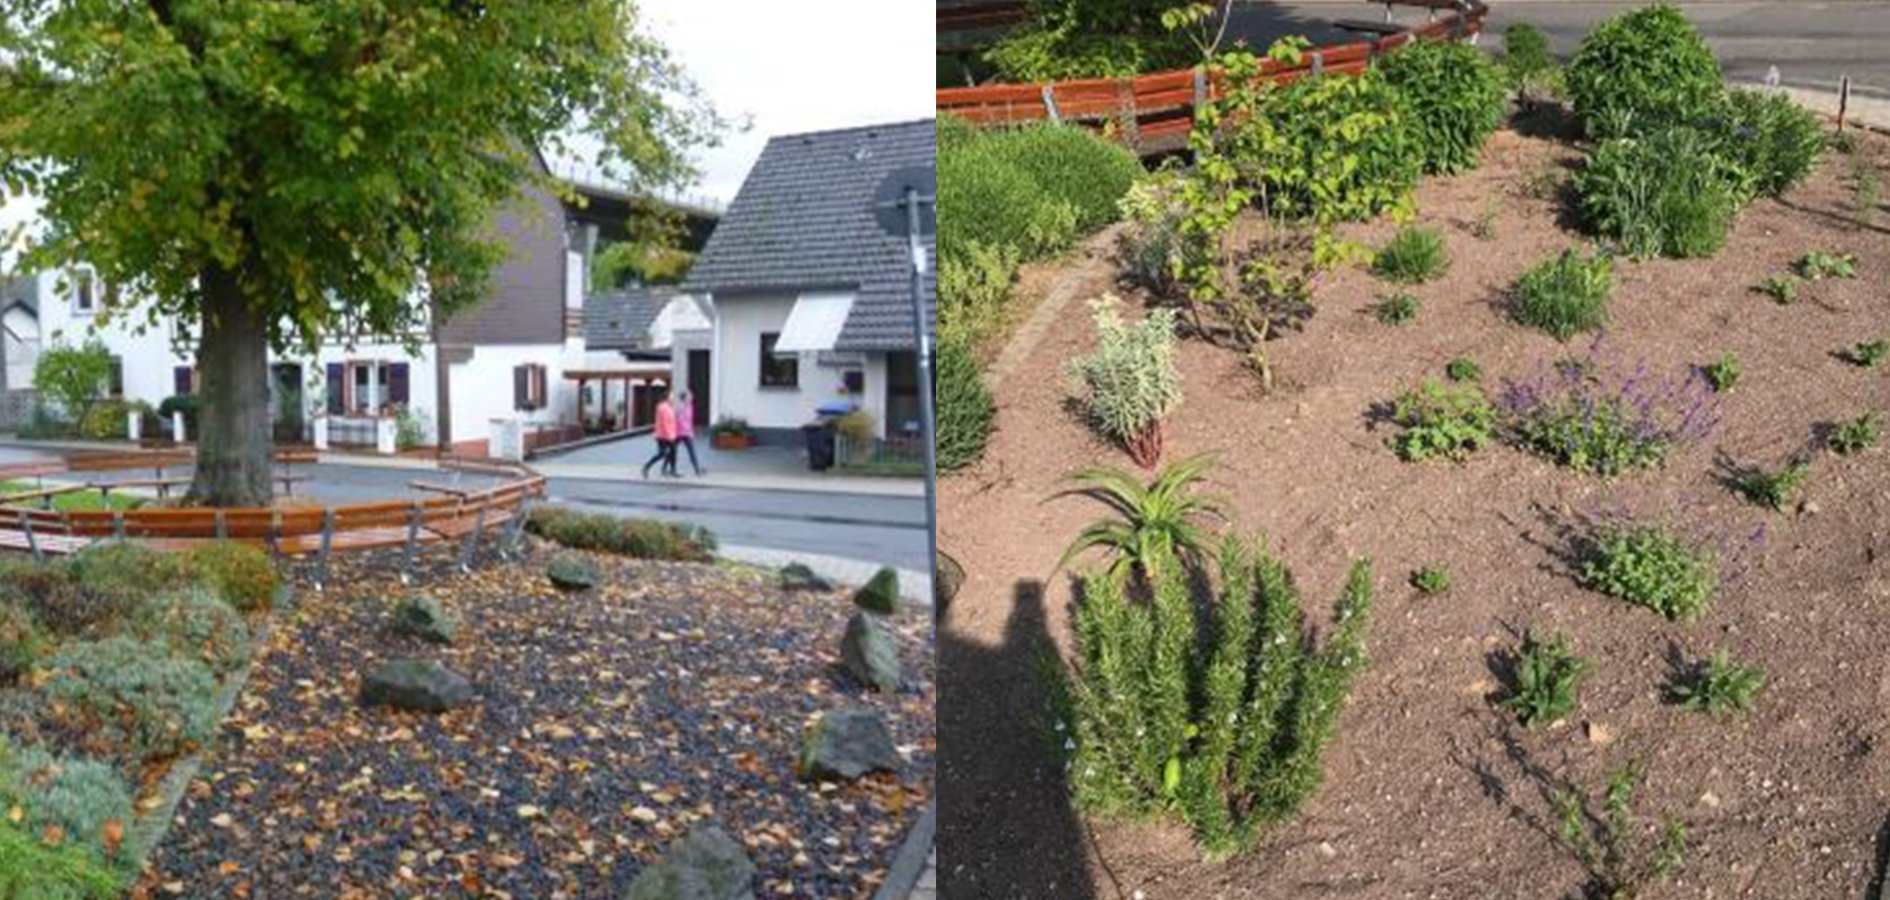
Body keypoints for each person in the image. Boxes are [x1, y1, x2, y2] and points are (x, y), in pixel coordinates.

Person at [642, 391, 678, 478]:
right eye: (672, 396)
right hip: (663, 435)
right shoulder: (662, 407)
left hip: (670, 434)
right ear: (667, 397)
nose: (673, 398)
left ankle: (672, 470)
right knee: (662, 453)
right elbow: (664, 422)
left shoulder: (669, 407)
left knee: (673, 451)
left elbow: (672, 421)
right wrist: (669, 435)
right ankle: (646, 466)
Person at [673, 389, 706, 476]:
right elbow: (678, 420)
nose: (691, 397)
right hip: (680, 432)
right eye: (689, 396)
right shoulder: (681, 407)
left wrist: (690, 431)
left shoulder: (689, 406)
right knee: (675, 450)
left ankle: (697, 469)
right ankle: (670, 469)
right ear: (685, 398)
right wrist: (686, 430)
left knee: (690, 451)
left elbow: (689, 421)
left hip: (686, 433)